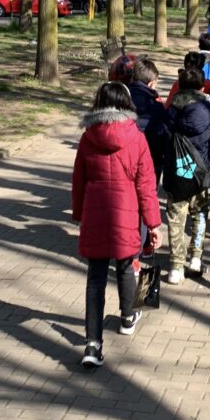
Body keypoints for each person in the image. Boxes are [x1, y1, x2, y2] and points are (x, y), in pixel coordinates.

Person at [72, 81, 164, 370]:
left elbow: (78, 180)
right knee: (126, 266)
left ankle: (92, 344)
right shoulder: (136, 138)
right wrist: (153, 223)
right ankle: (127, 317)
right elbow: (146, 185)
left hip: (95, 214)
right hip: (126, 214)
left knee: (95, 278)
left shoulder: (88, 137)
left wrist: (79, 214)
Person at [165, 68, 210, 284]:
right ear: (202, 87)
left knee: (176, 218)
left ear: (179, 85)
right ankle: (195, 257)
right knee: (200, 213)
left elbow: (162, 136)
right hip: (200, 172)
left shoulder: (170, 109)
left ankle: (176, 266)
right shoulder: (209, 109)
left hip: (176, 172)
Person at [127, 57, 169, 180]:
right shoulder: (157, 107)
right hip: (150, 159)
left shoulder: (122, 99)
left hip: (125, 157)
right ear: (151, 83)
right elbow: (163, 134)